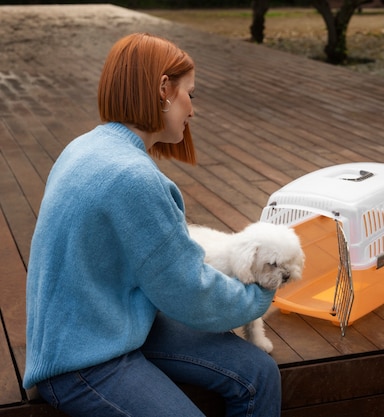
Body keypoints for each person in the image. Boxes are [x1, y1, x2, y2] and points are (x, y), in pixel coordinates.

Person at [23, 33, 281, 417]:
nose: (192, 109)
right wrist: (263, 291)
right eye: (190, 94)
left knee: (259, 373)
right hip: (81, 358)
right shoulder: (133, 177)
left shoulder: (86, 145)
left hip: (109, 323)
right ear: (164, 89)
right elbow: (190, 293)